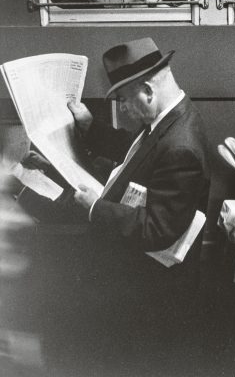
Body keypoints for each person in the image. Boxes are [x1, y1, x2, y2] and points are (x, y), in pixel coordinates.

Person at [17, 37, 210, 376]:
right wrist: (89, 129)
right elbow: (134, 158)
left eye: (123, 99)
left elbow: (158, 229)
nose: (122, 109)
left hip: (151, 296)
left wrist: (95, 208)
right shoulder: (171, 119)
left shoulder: (182, 147)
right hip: (142, 288)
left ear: (148, 90)